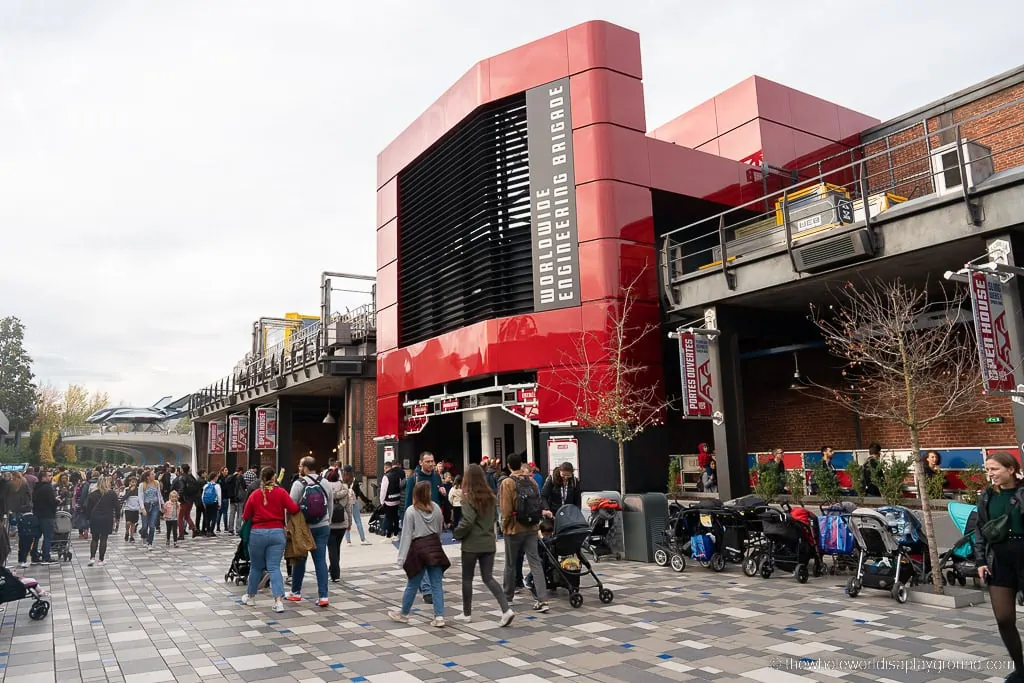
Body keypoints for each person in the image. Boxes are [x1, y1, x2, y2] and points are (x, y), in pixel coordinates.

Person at [976, 451, 1024, 682]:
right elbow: (980, 530)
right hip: (1000, 561)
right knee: (1004, 618)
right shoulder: (986, 496)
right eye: (988, 469)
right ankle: (1021, 669)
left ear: (1011, 469)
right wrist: (981, 561)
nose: (990, 474)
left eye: (994, 469)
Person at [453, 464, 514, 626]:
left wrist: (457, 534)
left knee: (467, 578)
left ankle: (466, 613)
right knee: (488, 577)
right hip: (489, 543)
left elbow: (467, 521)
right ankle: (506, 609)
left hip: (471, 545)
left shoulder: (467, 498)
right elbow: (495, 518)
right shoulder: (491, 497)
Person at [389, 481, 447, 627]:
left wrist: (401, 559)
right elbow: (440, 530)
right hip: (434, 547)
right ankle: (439, 617)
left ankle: (404, 613)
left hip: (419, 550)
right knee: (436, 584)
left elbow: (407, 535)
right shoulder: (437, 508)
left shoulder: (411, 511)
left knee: (413, 583)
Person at [242, 466, 300, 613]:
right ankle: (278, 601)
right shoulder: (281, 492)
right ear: (274, 478)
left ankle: (251, 596)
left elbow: (245, 516)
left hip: (257, 534)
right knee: (274, 567)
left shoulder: (255, 494)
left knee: (255, 567)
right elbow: (293, 508)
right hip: (277, 533)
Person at [499, 453, 551, 613]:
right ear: (520, 465)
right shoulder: (532, 481)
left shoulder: (507, 482)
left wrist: (504, 526)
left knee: (510, 563)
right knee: (535, 562)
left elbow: (506, 510)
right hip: (532, 528)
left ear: (508, 466)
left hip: (514, 528)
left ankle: (507, 596)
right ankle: (542, 599)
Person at [287, 456, 333, 607]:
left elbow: (291, 506)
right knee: (320, 561)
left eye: (300, 466)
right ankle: (323, 596)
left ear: (305, 468)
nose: (299, 468)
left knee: (300, 559)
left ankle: (296, 592)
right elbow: (330, 505)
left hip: (304, 528)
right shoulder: (325, 482)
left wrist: (289, 525)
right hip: (323, 526)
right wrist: (328, 521)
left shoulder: (299, 484)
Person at [405, 452, 447, 604]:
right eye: (428, 461)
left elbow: (440, 495)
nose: (431, 464)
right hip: (418, 522)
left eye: (432, 461)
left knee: (432, 555)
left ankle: (427, 587)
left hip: (434, 521)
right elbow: (408, 502)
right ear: (420, 462)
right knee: (421, 555)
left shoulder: (436, 476)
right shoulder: (413, 479)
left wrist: (443, 493)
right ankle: (427, 590)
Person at [324, 467, 353, 583]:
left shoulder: (325, 489)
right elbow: (348, 508)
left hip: (329, 523)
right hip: (342, 523)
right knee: (337, 548)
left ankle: (335, 574)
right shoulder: (344, 489)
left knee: (332, 550)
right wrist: (349, 523)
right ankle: (334, 569)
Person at [85, 477, 118, 567]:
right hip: (107, 518)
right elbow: (117, 507)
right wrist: (117, 518)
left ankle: (92, 558)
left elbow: (87, 508)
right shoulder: (112, 494)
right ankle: (100, 560)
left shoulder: (92, 495)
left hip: (95, 518)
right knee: (104, 538)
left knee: (94, 538)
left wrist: (88, 519)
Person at [9, 472, 35, 569]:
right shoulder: (24, 484)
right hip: (25, 511)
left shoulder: (12, 485)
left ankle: (22, 559)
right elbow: (29, 496)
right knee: (26, 536)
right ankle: (23, 559)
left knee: (22, 537)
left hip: (16, 510)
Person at [32, 471, 58, 565]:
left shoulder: (36, 487)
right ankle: (46, 556)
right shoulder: (48, 488)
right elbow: (52, 502)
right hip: (47, 515)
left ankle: (34, 556)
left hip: (37, 514)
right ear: (43, 477)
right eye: (49, 476)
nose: (50, 477)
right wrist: (58, 501)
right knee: (48, 536)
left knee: (36, 536)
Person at [341, 465, 371, 546]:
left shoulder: (342, 480)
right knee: (358, 521)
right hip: (354, 503)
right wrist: (366, 500)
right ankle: (362, 539)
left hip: (345, 503)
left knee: (347, 521)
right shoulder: (354, 480)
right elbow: (358, 493)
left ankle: (348, 541)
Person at [139, 470, 164, 551]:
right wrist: (142, 508)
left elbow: (159, 494)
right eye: (152, 474)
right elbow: (140, 498)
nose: (154, 476)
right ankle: (143, 537)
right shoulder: (142, 485)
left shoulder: (156, 483)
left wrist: (162, 504)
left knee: (152, 526)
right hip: (146, 505)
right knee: (144, 526)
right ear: (148, 476)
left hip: (155, 506)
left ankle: (150, 543)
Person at [174, 464, 201, 539]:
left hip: (184, 499)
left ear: (182, 469)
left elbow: (182, 488)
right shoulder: (191, 477)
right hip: (191, 499)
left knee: (180, 517)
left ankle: (181, 534)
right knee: (187, 515)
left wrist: (179, 496)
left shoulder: (182, 478)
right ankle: (194, 529)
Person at [379, 459, 403, 542]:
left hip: (389, 501)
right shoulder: (397, 476)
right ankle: (396, 534)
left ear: (386, 467)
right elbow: (400, 487)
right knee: (396, 518)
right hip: (397, 499)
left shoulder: (386, 476)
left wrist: (382, 501)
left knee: (389, 518)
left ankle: (388, 535)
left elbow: (383, 490)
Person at [201, 473, 221, 537]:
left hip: (207, 503)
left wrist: (204, 503)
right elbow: (219, 495)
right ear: (215, 477)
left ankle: (208, 531)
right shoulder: (217, 486)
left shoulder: (206, 485)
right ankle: (212, 531)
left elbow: (202, 496)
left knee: (207, 517)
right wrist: (220, 504)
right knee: (214, 517)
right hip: (214, 502)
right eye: (217, 477)